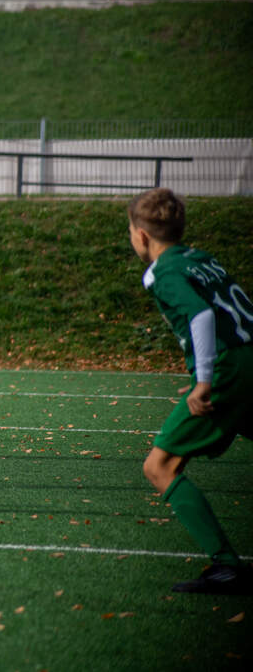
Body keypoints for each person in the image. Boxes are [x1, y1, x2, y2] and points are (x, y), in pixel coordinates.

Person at [129, 187, 253, 594]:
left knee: (159, 467)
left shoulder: (164, 271)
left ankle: (226, 566)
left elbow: (200, 316)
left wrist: (205, 380)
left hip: (230, 369)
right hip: (246, 358)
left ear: (141, 235)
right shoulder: (201, 259)